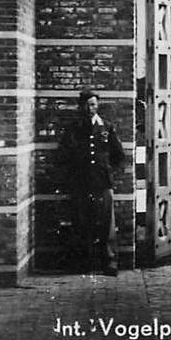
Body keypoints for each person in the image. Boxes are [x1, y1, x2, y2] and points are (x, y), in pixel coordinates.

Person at [59, 88, 126, 276]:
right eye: (87, 105)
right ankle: (84, 262)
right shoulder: (74, 129)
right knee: (82, 222)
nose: (90, 108)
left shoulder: (107, 127)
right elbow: (64, 155)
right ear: (81, 106)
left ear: (98, 106)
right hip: (81, 183)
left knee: (107, 223)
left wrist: (108, 171)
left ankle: (110, 262)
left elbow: (119, 156)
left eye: (94, 104)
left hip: (103, 183)